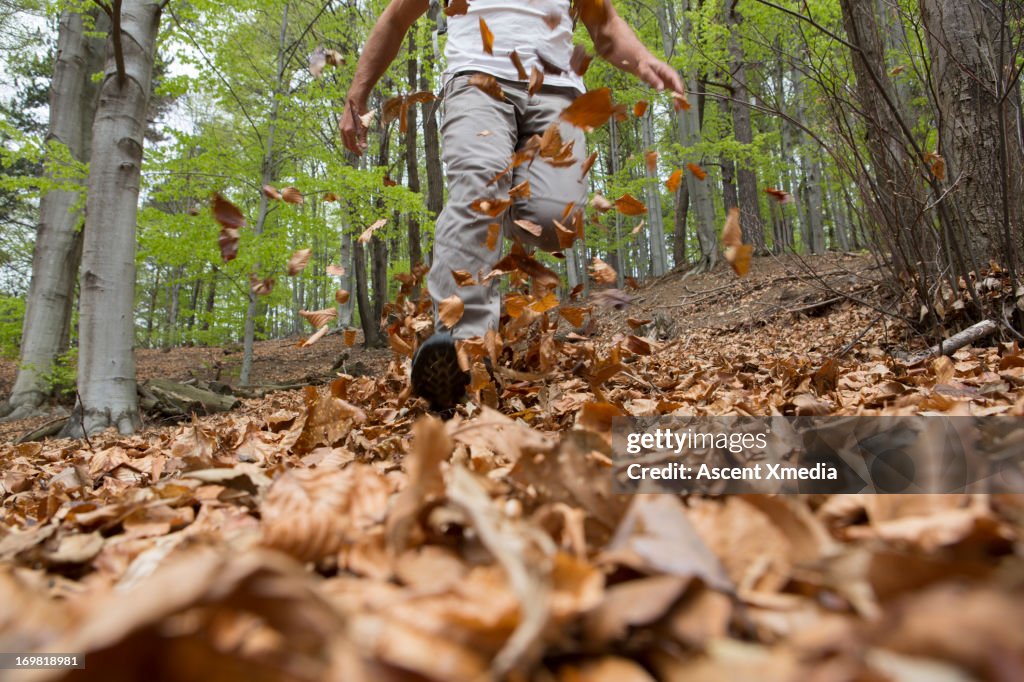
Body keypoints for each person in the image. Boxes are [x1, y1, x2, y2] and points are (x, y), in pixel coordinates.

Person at [340, 0, 684, 411]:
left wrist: (644, 59)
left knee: (555, 223)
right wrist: (357, 94)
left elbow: (605, 25)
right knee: (480, 191)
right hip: (476, 80)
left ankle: (500, 234)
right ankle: (459, 354)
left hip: (556, 90)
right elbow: (396, 17)